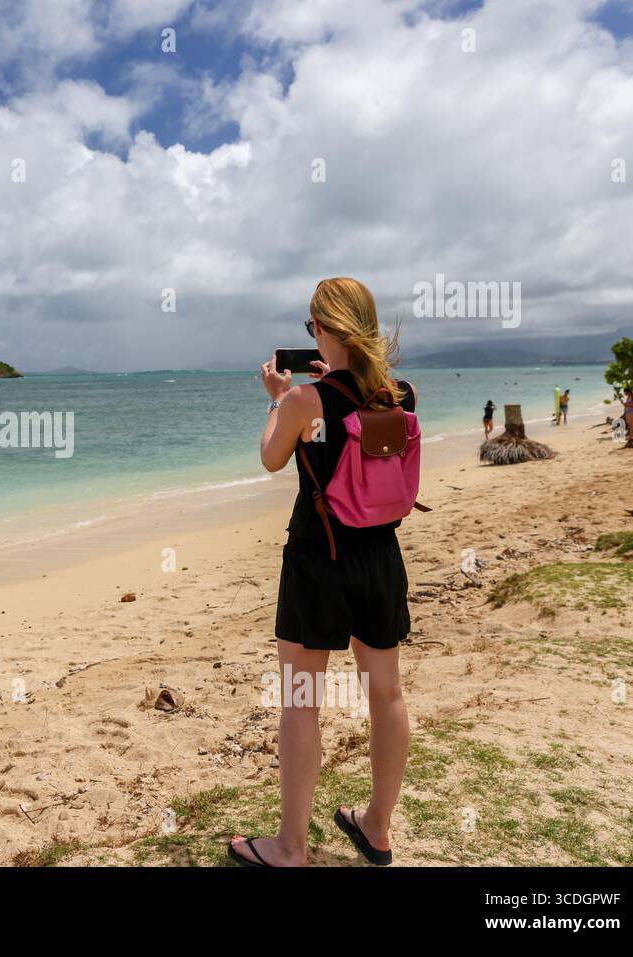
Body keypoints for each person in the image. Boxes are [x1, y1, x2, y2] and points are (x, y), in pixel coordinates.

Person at [235, 276, 414, 867]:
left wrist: (278, 397)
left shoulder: (304, 400)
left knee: (301, 699)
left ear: (327, 327)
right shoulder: (398, 395)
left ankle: (290, 847)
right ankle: (377, 827)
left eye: (313, 325)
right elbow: (351, 432)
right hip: (380, 554)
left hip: (319, 557)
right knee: (385, 692)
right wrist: (328, 376)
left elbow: (270, 457)